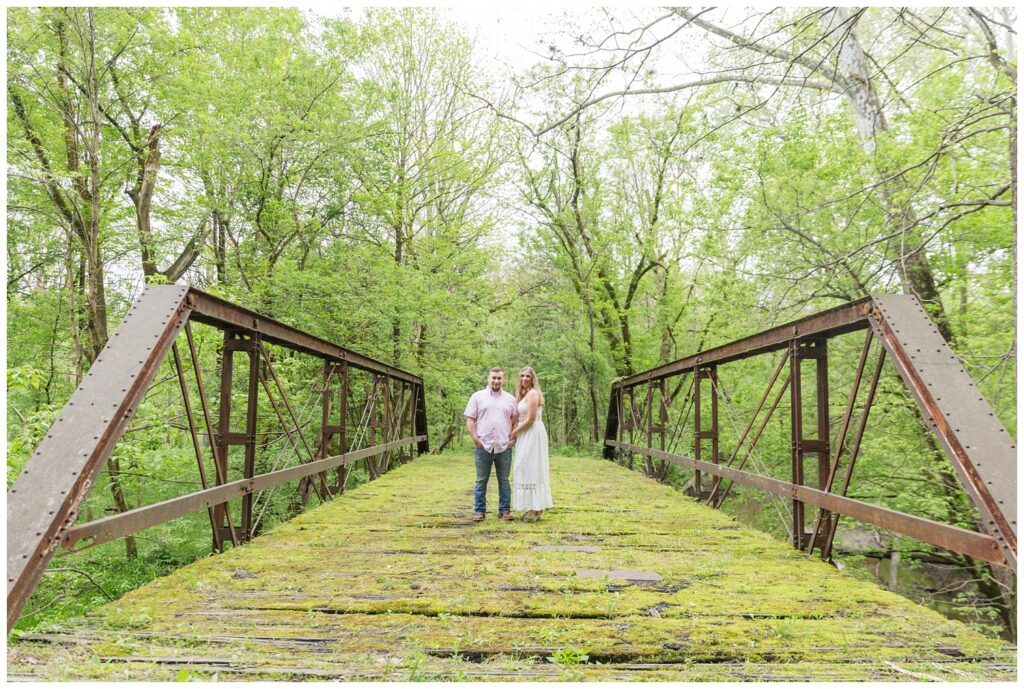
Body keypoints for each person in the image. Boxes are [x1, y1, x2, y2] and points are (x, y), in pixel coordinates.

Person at [464, 367, 518, 522]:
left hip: (503, 446)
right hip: (483, 445)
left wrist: (512, 439)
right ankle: (479, 511)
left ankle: (504, 511)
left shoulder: (510, 399)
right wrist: (475, 439)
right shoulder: (477, 396)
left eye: (499, 378)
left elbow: (515, 421)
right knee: (481, 479)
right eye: (493, 378)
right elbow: (470, 419)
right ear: (488, 378)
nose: (496, 381)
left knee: (504, 480)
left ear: (503, 379)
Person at [509, 366, 553, 521]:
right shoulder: (523, 394)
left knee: (531, 466)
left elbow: (531, 419)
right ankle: (532, 506)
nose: (524, 378)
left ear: (532, 378)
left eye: (528, 376)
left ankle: (536, 508)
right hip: (525, 433)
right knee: (524, 466)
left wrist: (514, 433)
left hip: (532, 432)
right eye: (522, 375)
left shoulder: (533, 393)